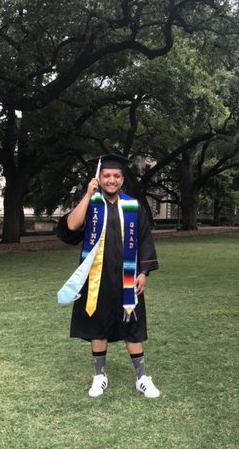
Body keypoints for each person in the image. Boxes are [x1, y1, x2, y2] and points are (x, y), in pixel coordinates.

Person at [56, 154, 161, 399]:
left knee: (133, 327)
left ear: (122, 180)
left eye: (116, 176)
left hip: (128, 279)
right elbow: (71, 227)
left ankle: (142, 378)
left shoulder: (133, 206)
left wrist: (144, 272)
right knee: (97, 327)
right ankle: (100, 375)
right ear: (99, 179)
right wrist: (87, 194)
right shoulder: (91, 204)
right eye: (106, 176)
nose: (111, 180)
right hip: (96, 280)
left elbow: (145, 239)